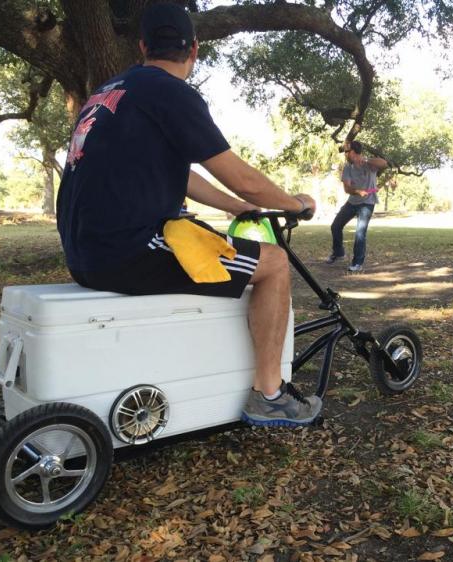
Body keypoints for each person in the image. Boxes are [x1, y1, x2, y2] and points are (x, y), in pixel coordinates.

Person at [56, 3, 321, 427]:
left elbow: (180, 177)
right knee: (273, 263)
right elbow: (241, 176)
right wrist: (295, 203)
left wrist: (237, 207)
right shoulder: (170, 92)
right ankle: (269, 395)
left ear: (142, 46)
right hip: (126, 250)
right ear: (194, 49)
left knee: (210, 241)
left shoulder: (111, 92)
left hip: (84, 251)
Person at [326, 141, 388, 272]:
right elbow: (347, 188)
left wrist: (365, 160)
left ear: (353, 152)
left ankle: (357, 263)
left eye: (347, 151)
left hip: (367, 203)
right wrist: (357, 191)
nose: (345, 154)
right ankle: (338, 253)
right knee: (335, 226)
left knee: (360, 233)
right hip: (352, 202)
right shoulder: (348, 167)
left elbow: (384, 163)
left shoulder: (369, 165)